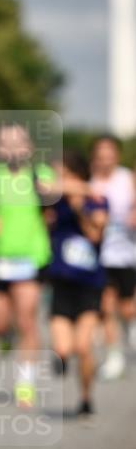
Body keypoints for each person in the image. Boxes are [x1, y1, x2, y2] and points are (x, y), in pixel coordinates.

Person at [0, 123, 55, 404]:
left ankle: (26, 381)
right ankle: (4, 337)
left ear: (30, 148)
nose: (13, 149)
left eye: (18, 142)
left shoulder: (40, 175)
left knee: (26, 320)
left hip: (31, 258)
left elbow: (57, 196)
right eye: (6, 143)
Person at [47, 151, 108, 418]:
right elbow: (43, 186)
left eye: (63, 173)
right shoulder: (55, 202)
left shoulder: (96, 201)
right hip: (61, 283)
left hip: (89, 285)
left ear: (76, 173)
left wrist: (79, 207)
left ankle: (85, 398)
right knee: (63, 349)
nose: (58, 178)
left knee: (83, 347)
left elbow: (96, 233)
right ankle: (61, 360)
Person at [90, 135, 136, 380]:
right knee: (106, 307)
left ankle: (131, 327)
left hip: (127, 253)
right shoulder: (90, 182)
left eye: (110, 154)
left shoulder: (126, 178)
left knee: (127, 308)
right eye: (101, 154)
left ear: (116, 155)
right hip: (100, 254)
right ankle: (114, 356)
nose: (105, 159)